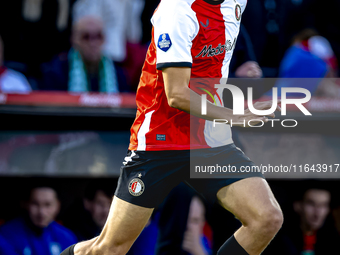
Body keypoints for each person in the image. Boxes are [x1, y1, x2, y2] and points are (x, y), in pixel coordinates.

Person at [61, 0, 283, 254]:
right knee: (111, 248)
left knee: (267, 218)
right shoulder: (177, 10)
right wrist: (234, 116)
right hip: (160, 141)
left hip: (210, 141)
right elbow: (177, 94)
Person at [40, 15, 128, 93]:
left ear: (104, 39)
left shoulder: (118, 73)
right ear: (74, 39)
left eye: (98, 36)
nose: (93, 43)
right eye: (86, 37)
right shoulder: (57, 71)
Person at [0, 185, 77, 255]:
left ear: (57, 206)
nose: (41, 212)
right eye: (35, 204)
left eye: (47, 204)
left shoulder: (66, 237)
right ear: (25, 204)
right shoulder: (6, 234)